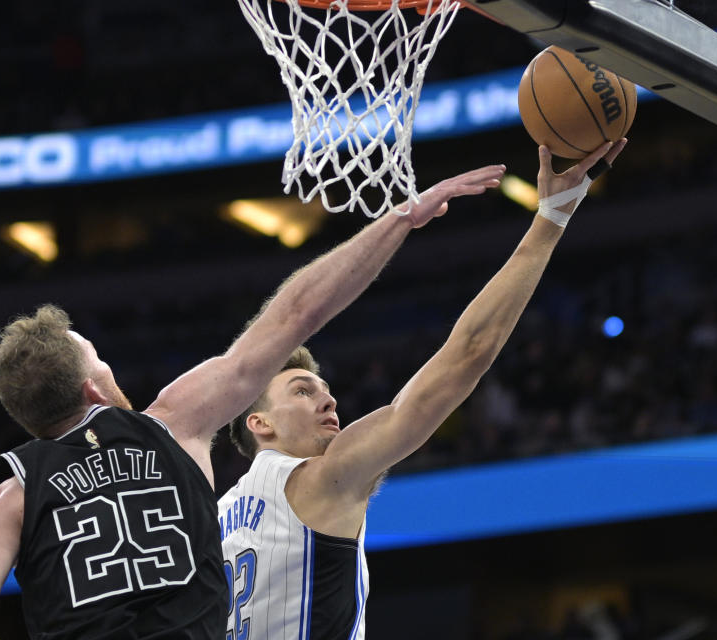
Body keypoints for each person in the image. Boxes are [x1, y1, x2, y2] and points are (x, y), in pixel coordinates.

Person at [0, 163, 507, 640]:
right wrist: (401, 218)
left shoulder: (5, 500)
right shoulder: (174, 423)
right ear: (94, 387)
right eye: (101, 358)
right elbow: (296, 314)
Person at [219, 140, 628, 640]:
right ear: (258, 421)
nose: (328, 400)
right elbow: (468, 353)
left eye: (323, 389)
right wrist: (552, 218)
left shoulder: (210, 523)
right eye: (303, 391)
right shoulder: (322, 479)